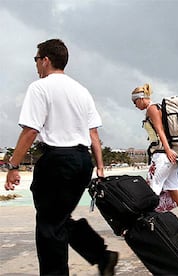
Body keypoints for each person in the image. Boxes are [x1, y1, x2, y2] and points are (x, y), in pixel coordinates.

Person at [4, 39, 118, 276]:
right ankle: (102, 255)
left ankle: (85, 262)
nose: (35, 65)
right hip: (82, 161)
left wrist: (13, 165)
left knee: (48, 227)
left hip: (57, 161)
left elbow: (30, 130)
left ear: (46, 60)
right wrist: (99, 167)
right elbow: (93, 134)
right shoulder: (82, 90)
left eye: (36, 59)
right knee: (58, 218)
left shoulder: (40, 87)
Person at [131, 83, 178, 230]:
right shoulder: (157, 107)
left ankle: (148, 227)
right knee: (175, 192)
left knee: (151, 191)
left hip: (162, 156)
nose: (135, 105)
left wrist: (167, 150)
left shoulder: (152, 108)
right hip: (169, 158)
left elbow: (160, 131)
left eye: (135, 102)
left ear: (141, 98)